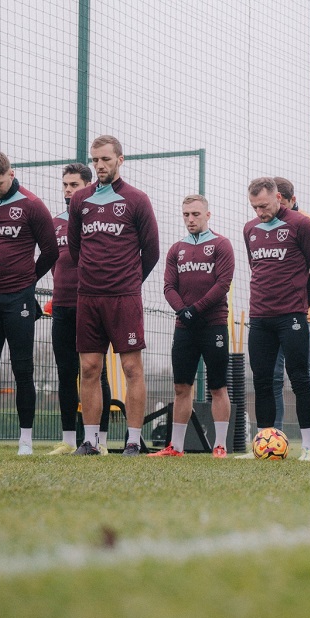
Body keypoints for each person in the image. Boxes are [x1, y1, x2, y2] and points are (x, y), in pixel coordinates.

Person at [68, 135, 159, 456]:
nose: (100, 165)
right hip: (88, 297)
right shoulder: (80, 200)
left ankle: (133, 440)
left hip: (125, 298)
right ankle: (90, 441)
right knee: (90, 368)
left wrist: (129, 281)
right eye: (95, 160)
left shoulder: (137, 199)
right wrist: (94, 277)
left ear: (120, 159)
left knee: (132, 368)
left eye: (105, 159)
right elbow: (76, 248)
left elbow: (151, 251)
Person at [0, 151, 58, 455]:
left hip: (19, 297)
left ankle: (26, 441)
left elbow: (50, 251)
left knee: (23, 369)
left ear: (12, 173)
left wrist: (27, 279)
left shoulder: (32, 205)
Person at [151, 195, 235, 457]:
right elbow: (168, 287)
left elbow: (222, 284)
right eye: (186, 214)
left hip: (213, 325)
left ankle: (219, 445)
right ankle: (176, 447)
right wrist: (182, 312)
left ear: (208, 215)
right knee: (181, 387)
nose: (190, 219)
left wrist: (195, 310)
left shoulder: (221, 244)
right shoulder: (176, 249)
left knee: (217, 387)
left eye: (195, 214)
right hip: (184, 327)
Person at [46, 163, 111, 456]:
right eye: (66, 185)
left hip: (93, 304)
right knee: (65, 372)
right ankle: (69, 440)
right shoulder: (55, 222)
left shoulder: (98, 218)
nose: (69, 190)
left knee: (98, 373)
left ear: (88, 186)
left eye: (74, 185)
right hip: (62, 305)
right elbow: (51, 260)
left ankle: (102, 441)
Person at [270, 177, 310, 433]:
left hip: (305, 316)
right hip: (271, 316)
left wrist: (305, 302)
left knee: (305, 376)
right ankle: (271, 435)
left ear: (291, 200)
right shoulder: (265, 227)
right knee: (272, 378)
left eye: (281, 203)